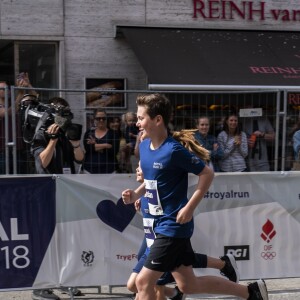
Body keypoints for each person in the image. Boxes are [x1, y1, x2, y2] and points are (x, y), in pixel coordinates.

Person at [122, 93, 268, 300]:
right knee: (188, 285)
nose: (137, 123)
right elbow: (153, 181)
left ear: (157, 120)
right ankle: (250, 292)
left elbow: (207, 173)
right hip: (155, 224)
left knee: (142, 282)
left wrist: (189, 207)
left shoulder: (173, 150)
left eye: (140, 118)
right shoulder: (145, 146)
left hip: (172, 226)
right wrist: (136, 194)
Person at [128, 157, 239, 300]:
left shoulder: (167, 164)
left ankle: (235, 279)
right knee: (183, 277)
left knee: (149, 283)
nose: (137, 169)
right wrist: (140, 198)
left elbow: (205, 174)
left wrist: (188, 208)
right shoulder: (148, 186)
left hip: (167, 233)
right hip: (153, 236)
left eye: (141, 166)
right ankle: (241, 285)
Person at [30, 97, 83, 299]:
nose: (63, 120)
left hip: (67, 192)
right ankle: (41, 285)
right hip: (46, 194)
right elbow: (42, 162)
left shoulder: (66, 134)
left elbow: (79, 159)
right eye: (61, 114)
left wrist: (75, 143)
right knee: (48, 241)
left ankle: (67, 281)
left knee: (67, 240)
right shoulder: (39, 134)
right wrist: (52, 140)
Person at [83, 109, 119, 173]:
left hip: (109, 170)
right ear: (94, 119)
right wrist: (106, 145)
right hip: (89, 169)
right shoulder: (89, 133)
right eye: (98, 118)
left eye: (103, 118)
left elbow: (113, 152)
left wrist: (95, 144)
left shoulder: (113, 134)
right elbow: (88, 149)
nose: (101, 120)